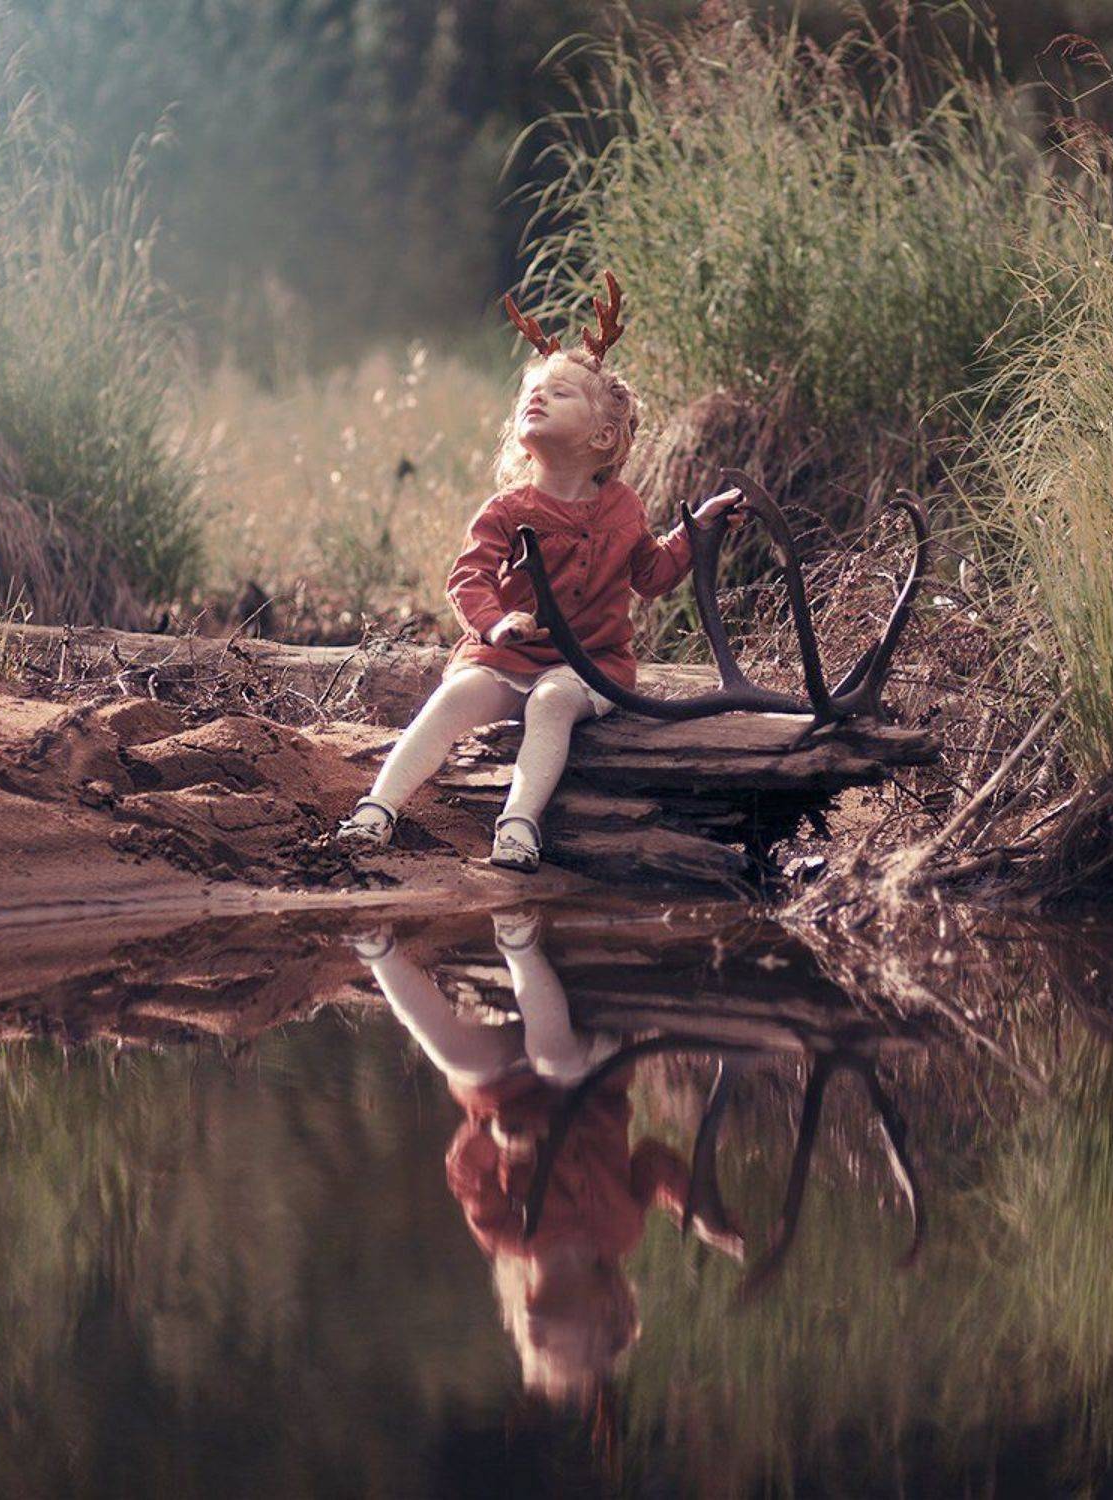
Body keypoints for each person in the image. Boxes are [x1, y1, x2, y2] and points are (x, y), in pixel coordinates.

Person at [337, 273, 745, 871]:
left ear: (603, 435)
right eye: (533, 392)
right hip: (509, 655)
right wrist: (495, 623)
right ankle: (376, 810)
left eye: (560, 393)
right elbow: (469, 577)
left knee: (551, 702)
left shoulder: (623, 507)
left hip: (592, 666)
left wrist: (698, 529)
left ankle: (518, 825)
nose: (538, 398)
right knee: (455, 697)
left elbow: (653, 575)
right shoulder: (508, 509)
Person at [349, 909, 746, 1405]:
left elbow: (465, 1173)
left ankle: (376, 952)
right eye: (561, 1347)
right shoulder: (620, 1231)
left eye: (530, 1346)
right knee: (554, 1059)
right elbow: (652, 1162)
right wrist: (697, 1208)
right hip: (591, 1076)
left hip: (505, 1090)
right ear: (606, 1313)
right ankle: (519, 944)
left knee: (457, 1057)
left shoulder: (507, 1235)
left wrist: (495, 1138)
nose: (536, 1340)